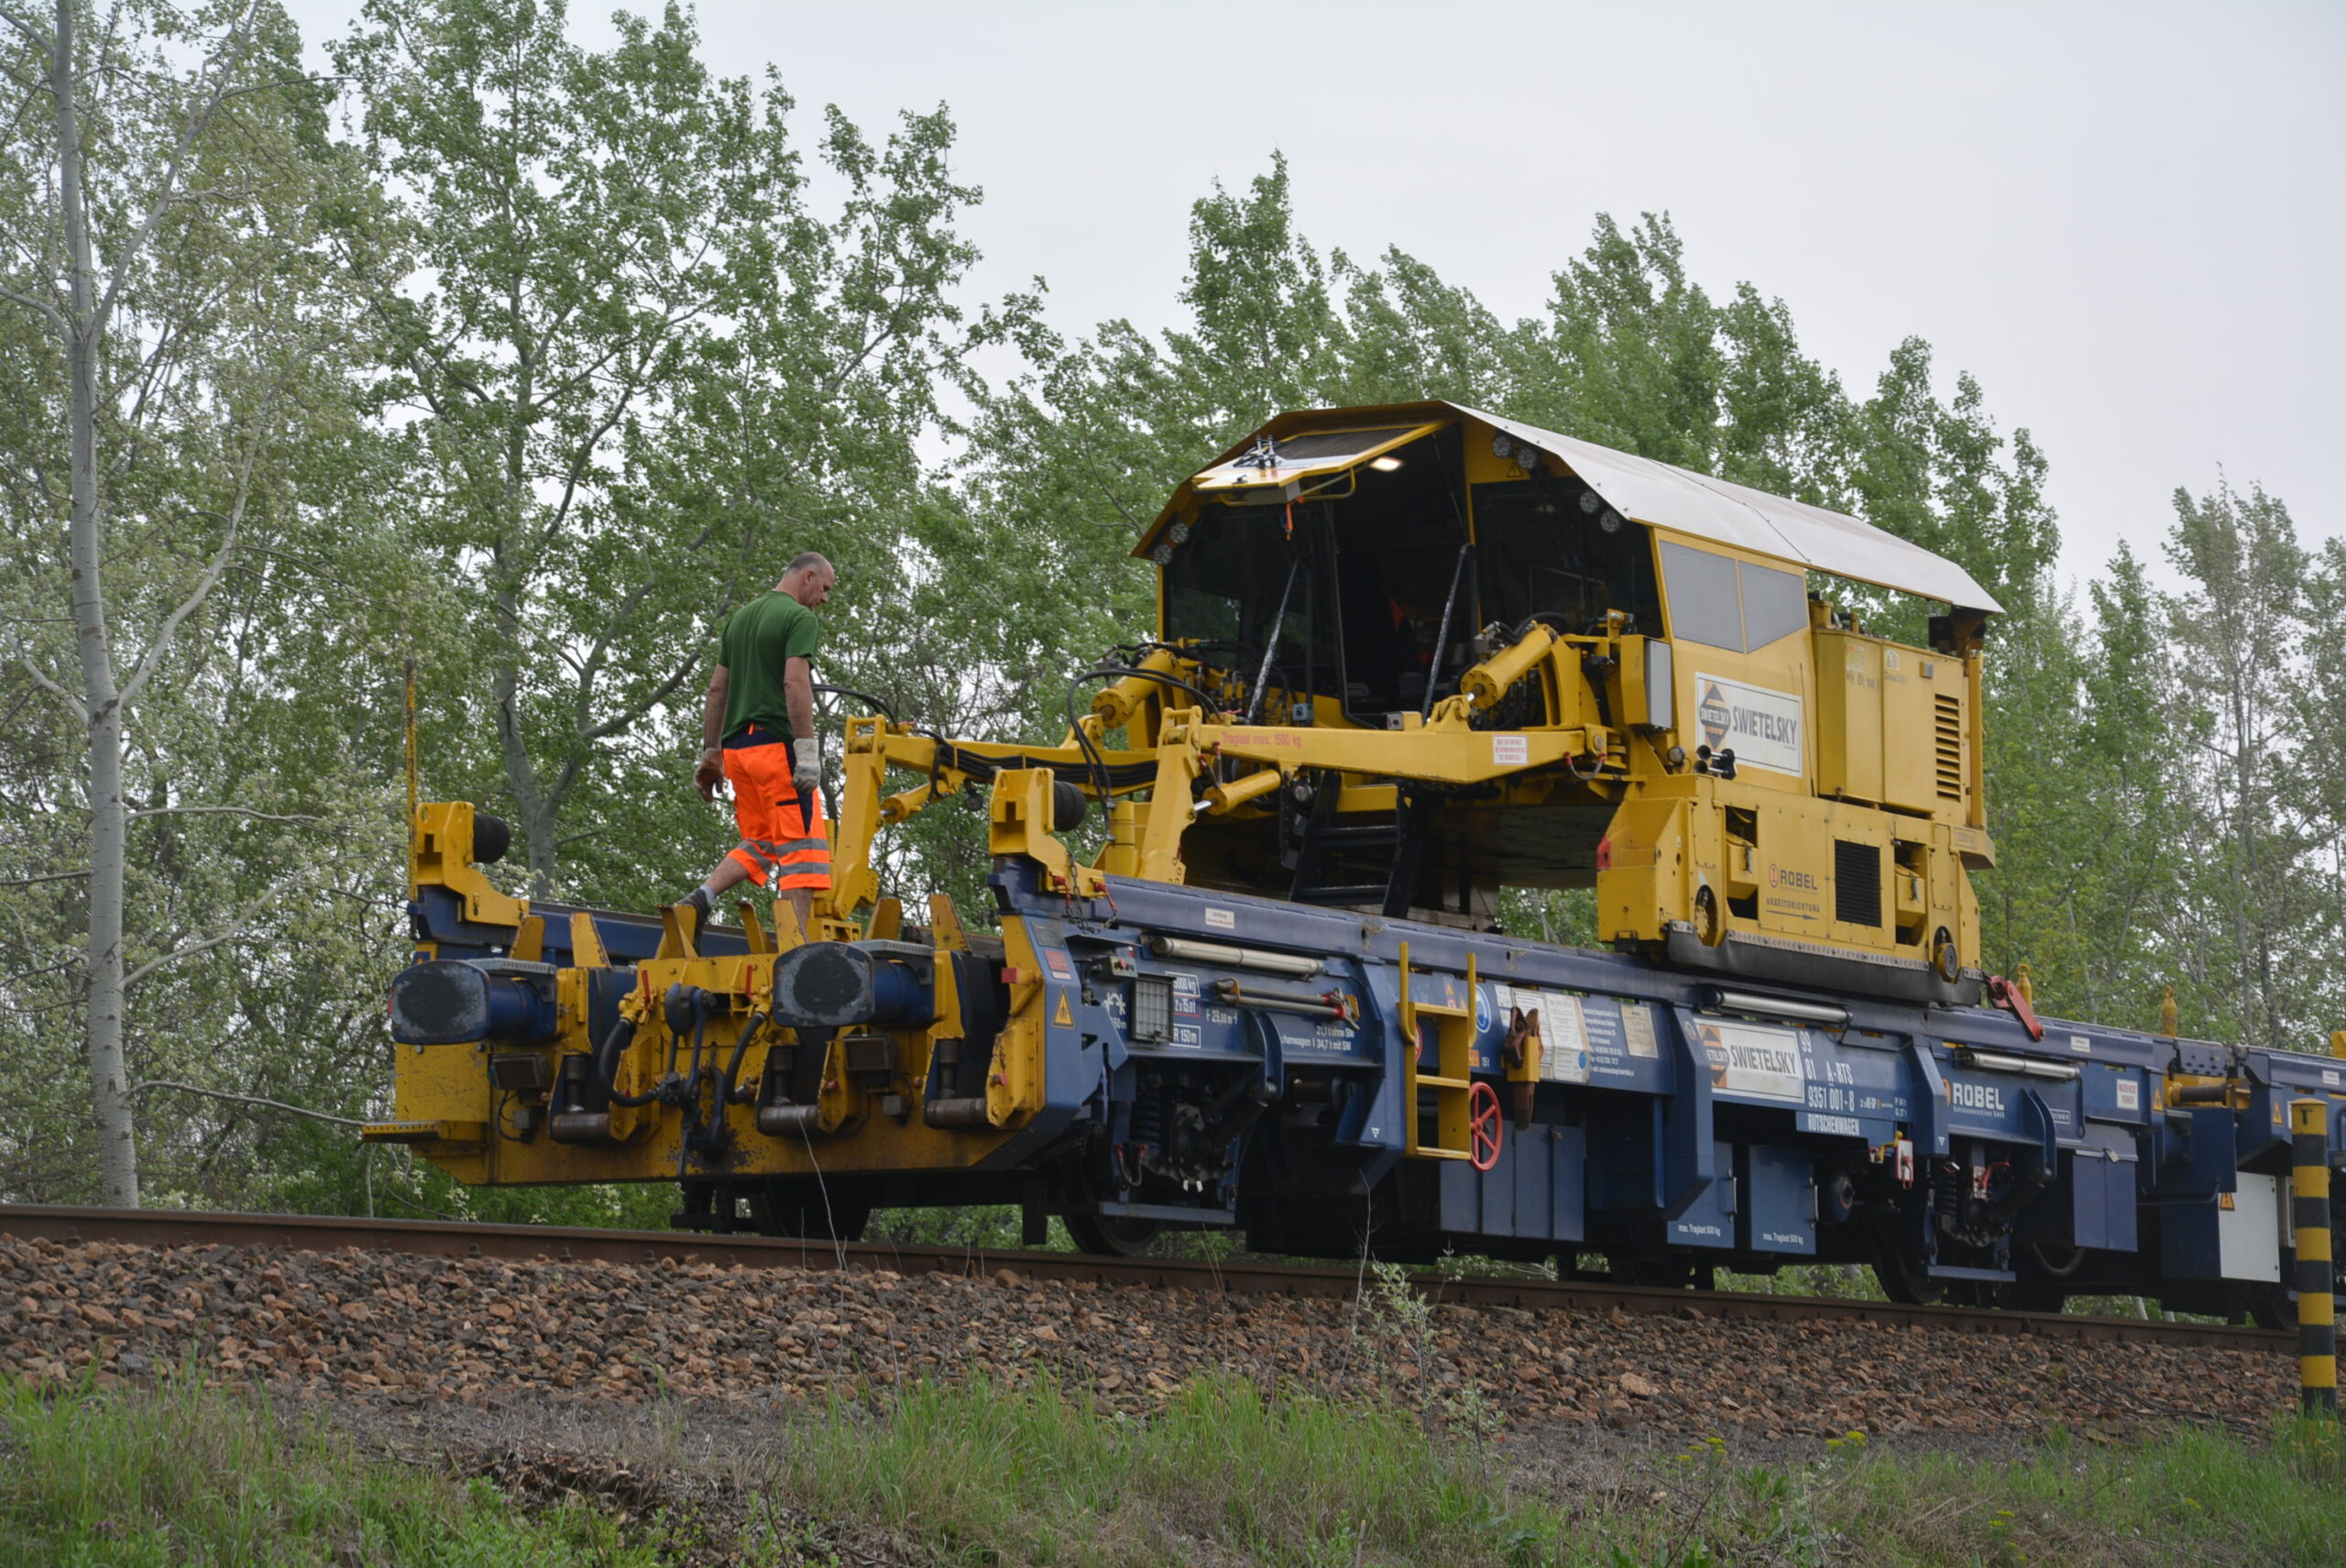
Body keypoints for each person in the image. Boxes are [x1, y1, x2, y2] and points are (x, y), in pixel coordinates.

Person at [678, 553, 836, 936]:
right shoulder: (800, 619)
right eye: (825, 589)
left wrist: (711, 753)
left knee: (762, 839)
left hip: (738, 753)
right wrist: (807, 751)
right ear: (808, 577)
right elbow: (794, 683)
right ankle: (795, 946)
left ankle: (703, 896)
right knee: (805, 852)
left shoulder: (740, 621)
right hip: (775, 749)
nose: (825, 599)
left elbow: (717, 690)